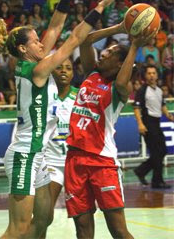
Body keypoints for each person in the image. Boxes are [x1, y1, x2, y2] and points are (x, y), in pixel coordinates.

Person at [0, 0, 115, 238]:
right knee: (17, 229)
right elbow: (74, 40)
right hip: (25, 154)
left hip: (38, 155)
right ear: (22, 49)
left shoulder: (34, 61)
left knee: (44, 217)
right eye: (36, 41)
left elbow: (56, 27)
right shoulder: (38, 70)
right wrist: (98, 9)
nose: (41, 43)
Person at [64, 21, 157, 239]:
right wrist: (118, 29)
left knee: (118, 230)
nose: (104, 53)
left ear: (119, 64)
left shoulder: (119, 89)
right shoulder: (90, 74)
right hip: (74, 160)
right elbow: (86, 39)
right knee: (83, 228)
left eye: (111, 53)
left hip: (101, 162)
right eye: (107, 50)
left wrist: (134, 46)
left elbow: (124, 80)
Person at [43, 58, 79, 237]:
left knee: (82, 217)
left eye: (68, 68)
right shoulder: (44, 95)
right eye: (59, 68)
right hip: (52, 163)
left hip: (76, 163)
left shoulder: (81, 97)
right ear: (51, 71)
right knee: (44, 215)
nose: (64, 71)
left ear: (73, 73)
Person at [133, 65, 174, 189]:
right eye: (149, 73)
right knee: (157, 152)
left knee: (162, 151)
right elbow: (136, 108)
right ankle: (157, 181)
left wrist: (168, 115)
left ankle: (141, 170)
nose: (151, 75)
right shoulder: (142, 90)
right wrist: (140, 124)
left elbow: (162, 105)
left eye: (153, 73)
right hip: (147, 123)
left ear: (157, 75)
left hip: (156, 122)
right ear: (145, 76)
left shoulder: (160, 90)